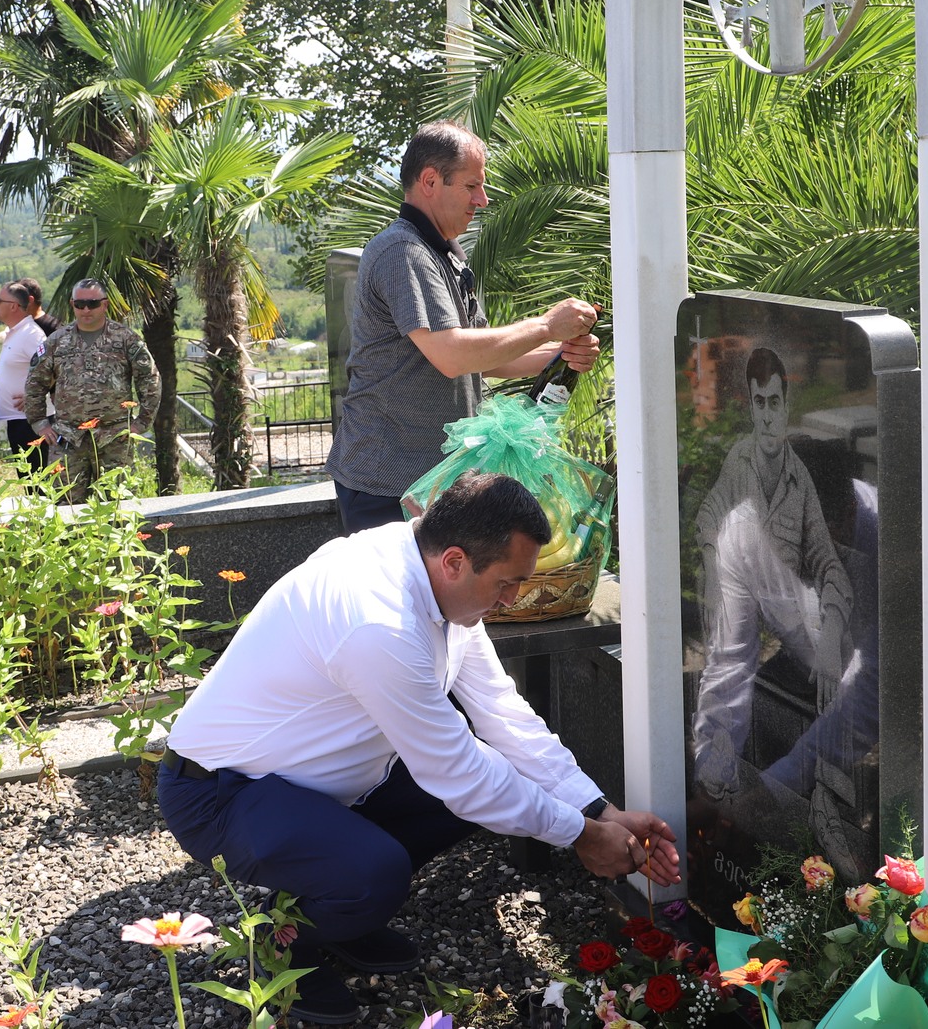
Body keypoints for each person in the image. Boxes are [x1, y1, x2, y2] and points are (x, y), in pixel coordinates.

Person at [158, 471, 681, 1025]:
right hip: (220, 793)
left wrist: (599, 811)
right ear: (455, 560)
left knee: (480, 795)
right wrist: (582, 836)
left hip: (306, 778)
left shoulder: (433, 573)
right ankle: (287, 942)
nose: (512, 600)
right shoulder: (377, 621)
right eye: (507, 584)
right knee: (379, 871)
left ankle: (340, 910)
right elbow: (459, 772)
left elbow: (502, 711)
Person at [326, 122, 601, 534]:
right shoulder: (402, 250)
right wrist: (547, 326)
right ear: (430, 181)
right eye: (472, 186)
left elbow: (483, 358)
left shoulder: (446, 255)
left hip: (436, 482)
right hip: (386, 486)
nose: (483, 200)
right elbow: (452, 355)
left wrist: (561, 356)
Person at [688, 348, 859, 853]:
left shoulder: (797, 477)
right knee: (729, 648)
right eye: (758, 403)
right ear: (751, 407)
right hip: (739, 585)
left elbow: (826, 561)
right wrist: (713, 571)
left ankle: (827, 803)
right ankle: (715, 775)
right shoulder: (740, 459)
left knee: (837, 655)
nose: (767, 415)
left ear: (787, 407)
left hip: (782, 592)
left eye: (774, 403)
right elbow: (709, 516)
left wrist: (830, 632)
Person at [22, 278, 161, 501]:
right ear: (72, 305)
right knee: (66, 507)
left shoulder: (126, 339)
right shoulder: (56, 342)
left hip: (114, 439)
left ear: (105, 304)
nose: (86, 309)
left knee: (118, 507)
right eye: (80, 304)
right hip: (68, 438)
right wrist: (40, 423)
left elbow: (150, 380)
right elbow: (35, 383)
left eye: (93, 304)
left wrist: (141, 423)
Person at [0, 279, 54, 474]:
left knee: (36, 482)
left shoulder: (31, 335)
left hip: (30, 423)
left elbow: (55, 368)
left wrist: (33, 396)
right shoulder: (18, 332)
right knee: (28, 481)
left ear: (13, 306)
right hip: (18, 421)